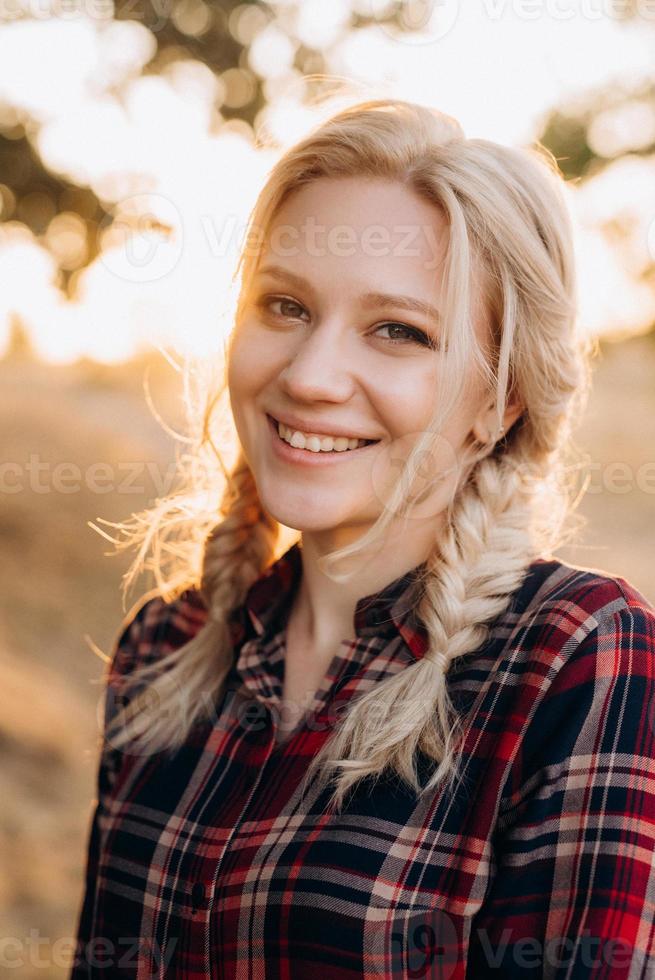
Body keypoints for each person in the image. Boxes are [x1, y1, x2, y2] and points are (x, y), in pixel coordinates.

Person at [70, 98, 655, 979]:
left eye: (397, 331)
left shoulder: (574, 655)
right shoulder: (163, 649)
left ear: (500, 402)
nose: (308, 377)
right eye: (285, 305)